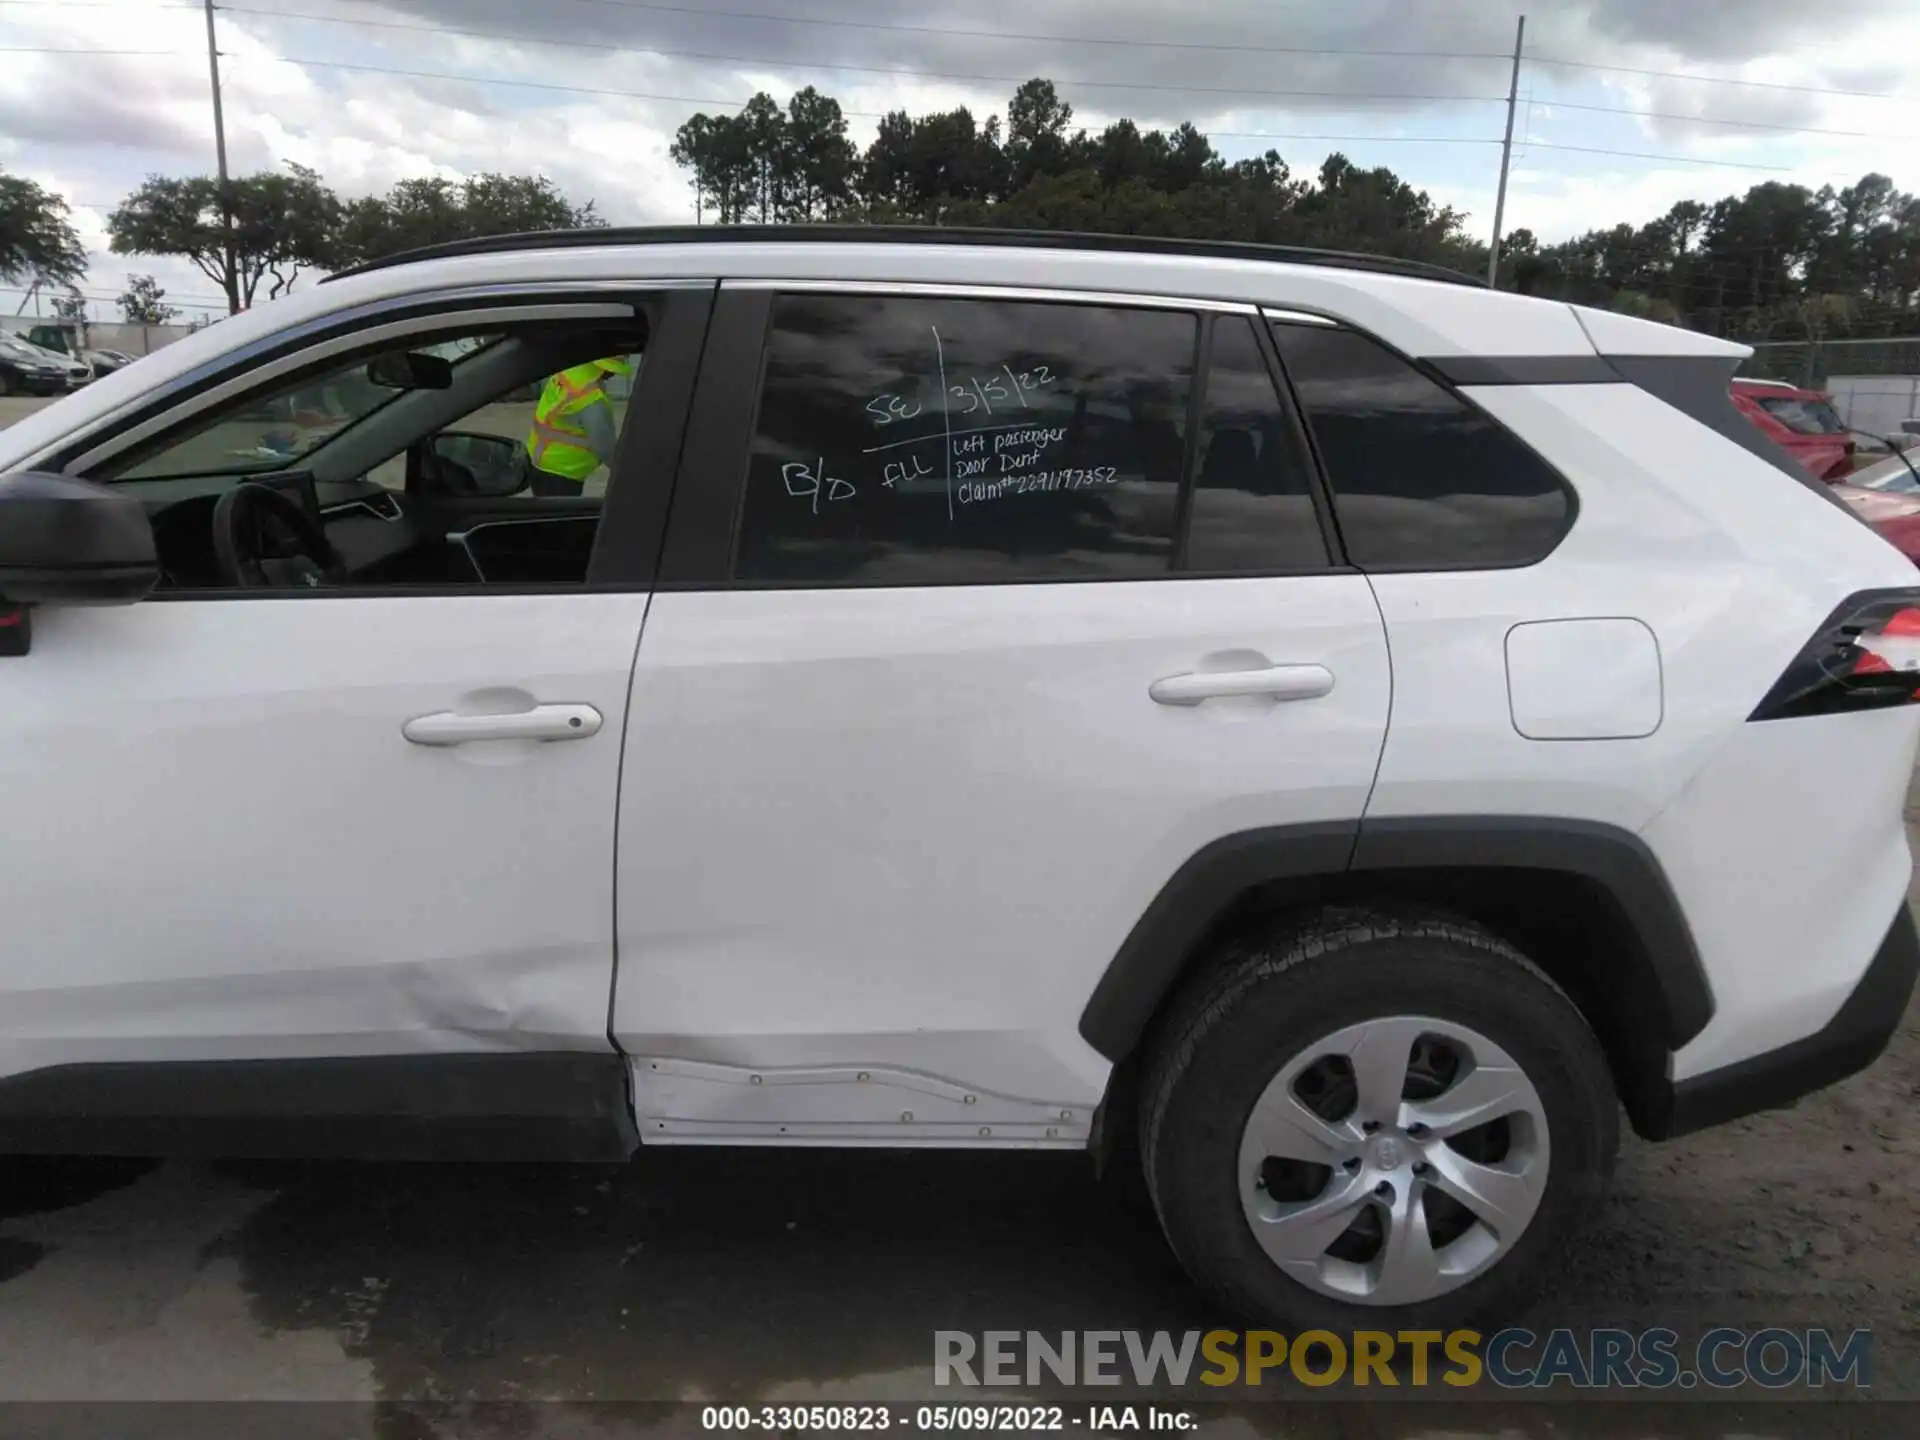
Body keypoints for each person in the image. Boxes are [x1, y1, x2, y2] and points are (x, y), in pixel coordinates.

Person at [524, 355, 633, 496]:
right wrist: (629, 474)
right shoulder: (592, 401)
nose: (613, 375)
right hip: (563, 473)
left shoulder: (569, 371)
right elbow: (606, 449)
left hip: (541, 460)